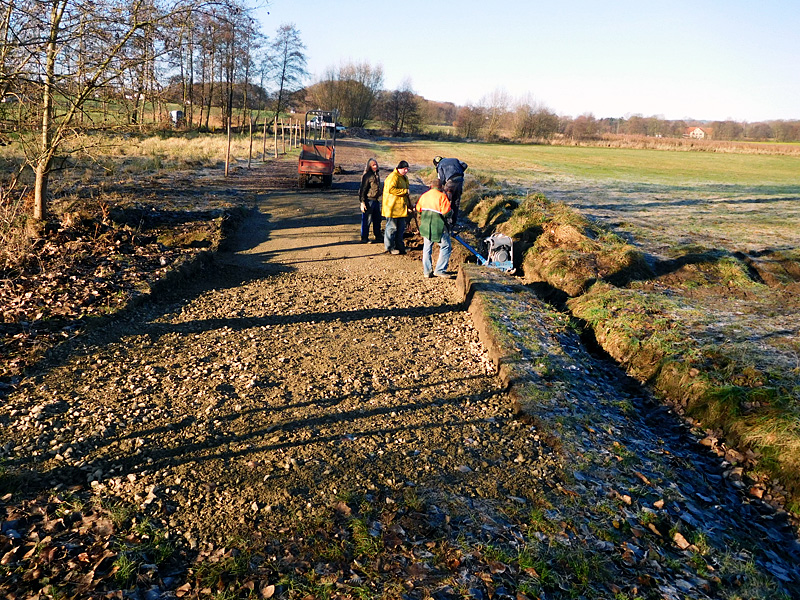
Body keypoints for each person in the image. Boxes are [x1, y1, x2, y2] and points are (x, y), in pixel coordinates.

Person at [416, 175, 453, 278]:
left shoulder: (424, 196)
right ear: (441, 187)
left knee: (427, 248)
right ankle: (440, 270)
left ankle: (427, 271)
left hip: (426, 227)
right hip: (438, 227)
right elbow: (447, 212)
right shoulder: (442, 196)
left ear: (431, 186)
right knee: (445, 246)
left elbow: (418, 209)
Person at [382, 160, 410, 254]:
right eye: (404, 169)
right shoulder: (393, 177)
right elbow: (391, 189)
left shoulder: (403, 177)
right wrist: (404, 191)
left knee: (401, 229)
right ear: (399, 168)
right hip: (392, 208)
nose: (406, 171)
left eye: (407, 169)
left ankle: (400, 246)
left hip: (400, 208)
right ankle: (389, 247)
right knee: (391, 228)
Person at [433, 156, 468, 228]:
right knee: (456, 202)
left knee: (446, 201)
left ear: (436, 164)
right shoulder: (454, 160)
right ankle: (453, 222)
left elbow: (442, 179)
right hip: (460, 180)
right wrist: (458, 171)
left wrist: (442, 187)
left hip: (450, 182)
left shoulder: (440, 166)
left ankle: (445, 221)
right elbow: (465, 165)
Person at [358, 158, 382, 243]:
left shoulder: (377, 175)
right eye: (373, 165)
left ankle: (378, 236)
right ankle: (364, 237)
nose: (375, 166)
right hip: (369, 201)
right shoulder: (367, 176)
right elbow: (363, 189)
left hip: (376, 201)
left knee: (377, 220)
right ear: (369, 166)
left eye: (376, 164)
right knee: (367, 220)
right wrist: (362, 202)